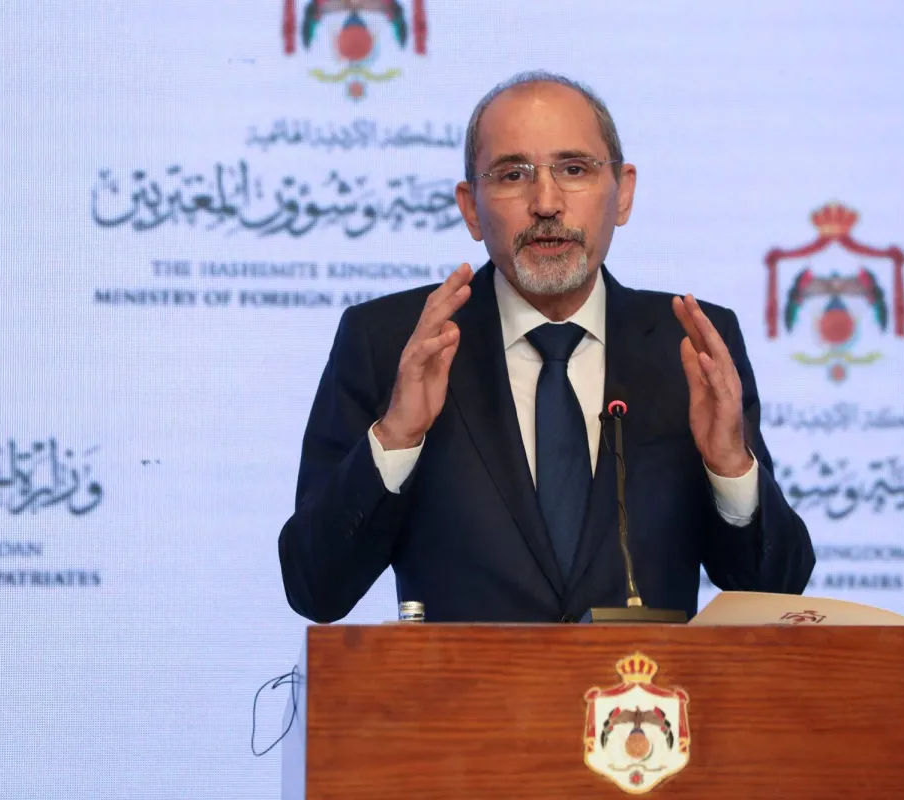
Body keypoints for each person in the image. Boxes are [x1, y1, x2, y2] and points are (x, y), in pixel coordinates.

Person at [277, 71, 814, 623]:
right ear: (470, 207)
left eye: (574, 169)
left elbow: (775, 591)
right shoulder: (392, 342)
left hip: (639, 682)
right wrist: (397, 437)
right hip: (457, 683)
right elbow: (316, 588)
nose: (546, 203)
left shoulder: (691, 346)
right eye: (513, 175)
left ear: (624, 192)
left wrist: (730, 467)